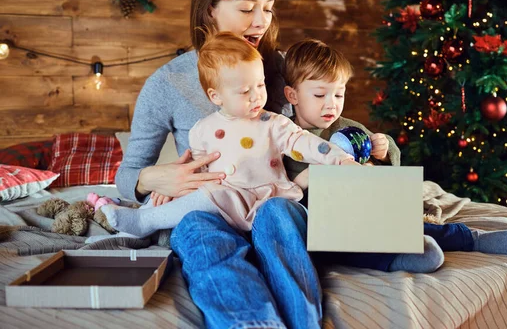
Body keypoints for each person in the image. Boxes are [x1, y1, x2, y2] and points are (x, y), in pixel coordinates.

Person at [114, 0, 322, 329]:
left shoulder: (281, 68)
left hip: (275, 202)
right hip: (210, 208)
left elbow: (335, 128)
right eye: (247, 8)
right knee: (196, 230)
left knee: (278, 216)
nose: (261, 21)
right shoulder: (168, 82)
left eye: (269, 8)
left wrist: (375, 146)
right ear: (211, 9)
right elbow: (127, 175)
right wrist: (150, 179)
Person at [281, 39, 507, 272]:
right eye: (319, 95)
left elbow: (392, 158)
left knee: (409, 225)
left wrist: (383, 148)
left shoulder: (347, 128)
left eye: (339, 94)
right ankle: (400, 259)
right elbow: (275, 193)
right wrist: (308, 178)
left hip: (367, 207)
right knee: (337, 250)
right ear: (292, 95)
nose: (331, 104)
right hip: (327, 224)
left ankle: (472, 238)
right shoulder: (282, 135)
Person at [103, 32, 360, 237]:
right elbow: (198, 173)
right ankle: (140, 222)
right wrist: (170, 189)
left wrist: (340, 159)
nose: (257, 96)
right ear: (216, 96)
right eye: (244, 91)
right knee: (198, 197)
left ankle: (144, 221)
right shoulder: (201, 130)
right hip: (224, 201)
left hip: (267, 199)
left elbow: (306, 143)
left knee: (226, 199)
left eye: (260, 85)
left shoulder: (273, 123)